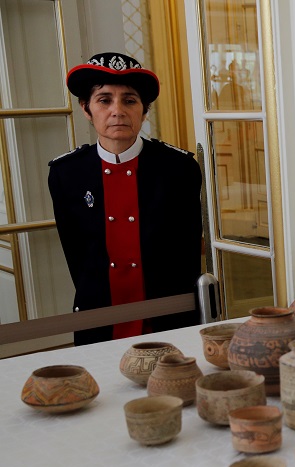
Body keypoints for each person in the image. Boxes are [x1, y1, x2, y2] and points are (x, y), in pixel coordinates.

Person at [48, 52, 203, 346]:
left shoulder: (179, 168)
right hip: (98, 320)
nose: (117, 110)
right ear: (86, 108)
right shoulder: (65, 173)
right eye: (104, 100)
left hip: (168, 320)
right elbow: (77, 257)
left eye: (129, 100)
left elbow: (186, 253)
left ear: (144, 111)